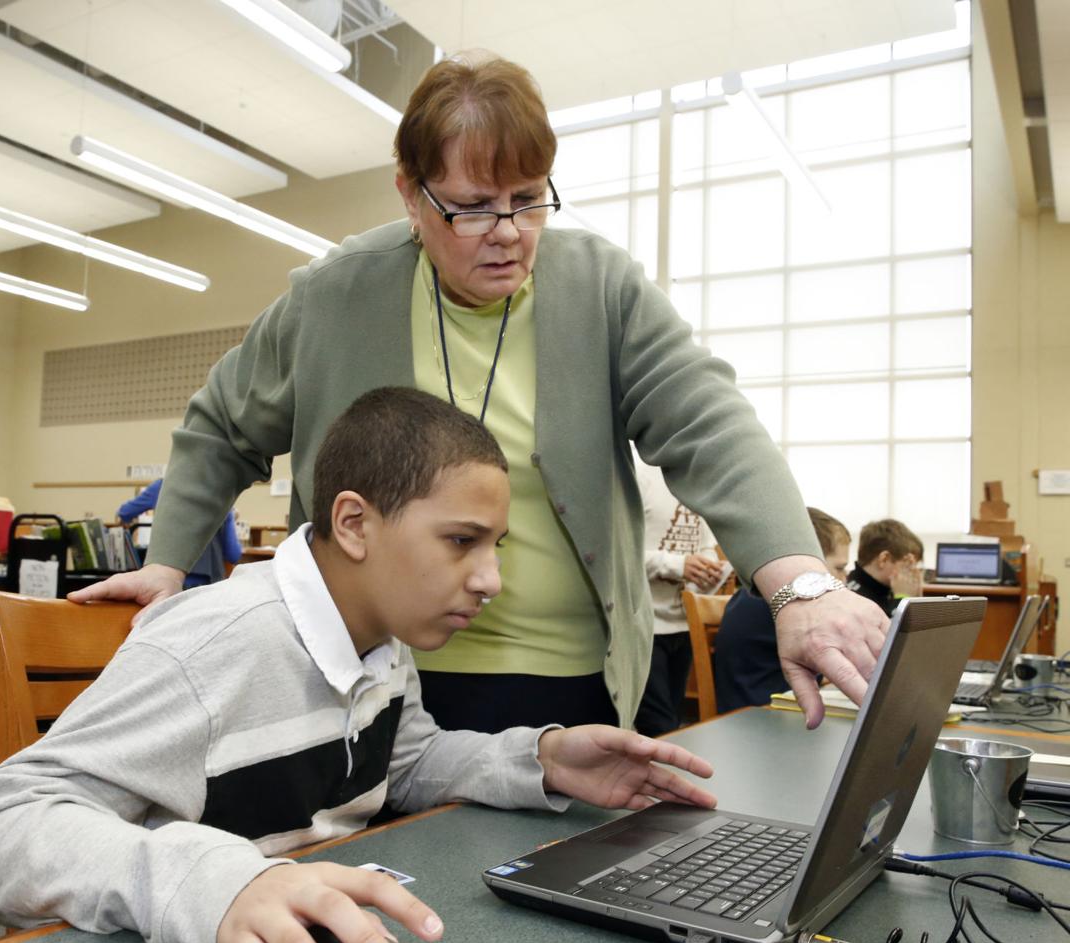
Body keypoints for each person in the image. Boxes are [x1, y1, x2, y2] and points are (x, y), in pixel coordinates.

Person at [69, 52, 887, 733]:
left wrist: (800, 583)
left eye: (528, 200)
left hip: (570, 684)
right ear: (409, 194)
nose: (507, 233)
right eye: (470, 208)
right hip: (363, 676)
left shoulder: (597, 287)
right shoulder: (337, 294)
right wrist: (168, 561)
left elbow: (710, 424)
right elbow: (219, 426)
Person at [0, 388, 717, 943]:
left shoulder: (382, 632)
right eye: (461, 541)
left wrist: (540, 761)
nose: (490, 579)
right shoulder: (215, 646)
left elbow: (403, 761)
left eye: (497, 547)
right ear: (354, 523)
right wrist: (225, 881)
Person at [713, 508, 851, 713]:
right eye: (839, 568)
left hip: (760, 710)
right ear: (811, 560)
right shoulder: (785, 603)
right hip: (763, 718)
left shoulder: (758, 594)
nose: (844, 578)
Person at [632, 449, 724, 735]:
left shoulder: (699, 481)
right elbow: (620, 553)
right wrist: (677, 565)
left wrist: (710, 570)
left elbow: (705, 543)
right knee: (659, 725)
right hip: (643, 624)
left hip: (683, 622)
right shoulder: (639, 473)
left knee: (674, 718)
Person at [118, 478, 241, 588]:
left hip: (168, 580)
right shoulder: (222, 493)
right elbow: (233, 555)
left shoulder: (162, 486)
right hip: (209, 585)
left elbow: (124, 513)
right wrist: (230, 517)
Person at [847, 518, 924, 618]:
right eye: (908, 566)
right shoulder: (857, 599)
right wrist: (902, 598)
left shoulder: (883, 589)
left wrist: (917, 600)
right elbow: (892, 631)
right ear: (884, 559)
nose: (913, 573)